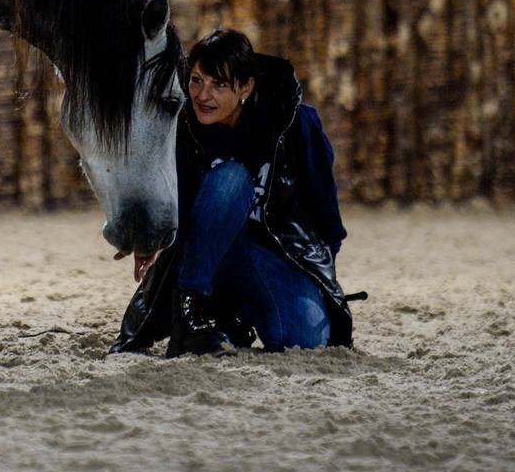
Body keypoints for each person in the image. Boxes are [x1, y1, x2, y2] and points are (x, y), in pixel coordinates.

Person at [110, 28, 361, 357]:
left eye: (219, 84)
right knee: (230, 179)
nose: (203, 95)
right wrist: (149, 240)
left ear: (246, 86)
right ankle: (194, 313)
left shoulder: (295, 124)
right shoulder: (183, 126)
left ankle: (229, 319)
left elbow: (324, 210)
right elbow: (176, 203)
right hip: (207, 259)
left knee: (304, 339)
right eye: (197, 80)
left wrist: (319, 276)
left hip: (272, 253)